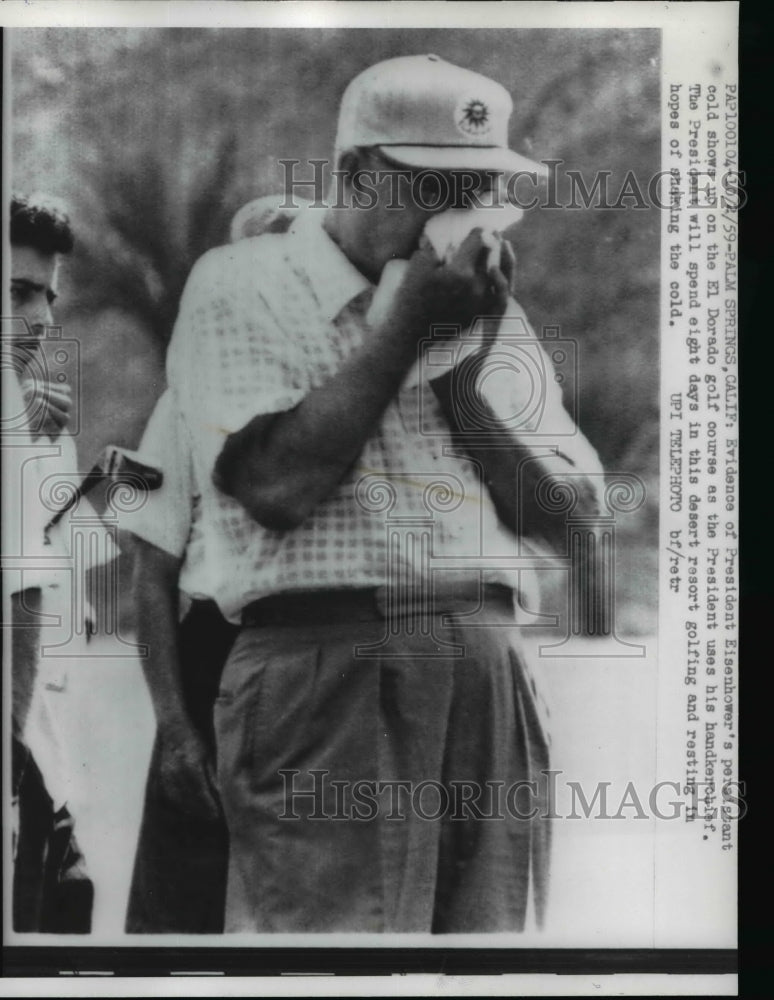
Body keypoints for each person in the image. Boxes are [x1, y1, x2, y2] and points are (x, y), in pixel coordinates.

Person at [164, 54, 604, 933]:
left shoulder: (481, 313)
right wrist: (402, 333)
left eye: (477, 191)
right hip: (325, 664)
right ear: (357, 170)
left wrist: (461, 378)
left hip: (486, 662)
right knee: (329, 961)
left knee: (486, 968)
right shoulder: (241, 282)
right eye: (434, 186)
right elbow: (277, 485)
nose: (457, 216)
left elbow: (571, 522)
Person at [123, 197, 299, 933]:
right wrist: (175, 726)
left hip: (314, 659)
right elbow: (152, 574)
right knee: (184, 904)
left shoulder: (344, 396)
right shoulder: (184, 401)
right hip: (215, 656)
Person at [4, 193, 97, 932]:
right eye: (16, 293)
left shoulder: (37, 417)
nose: (38, 319)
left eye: (46, 297)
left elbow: (62, 589)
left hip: (41, 765)